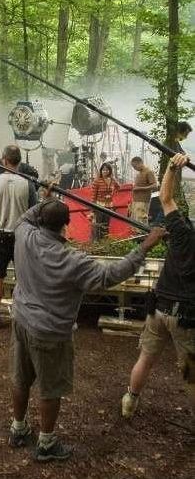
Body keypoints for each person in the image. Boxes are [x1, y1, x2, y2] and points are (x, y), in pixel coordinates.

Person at [8, 192, 165, 462]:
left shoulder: (23, 234)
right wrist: (144, 247)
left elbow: (27, 215)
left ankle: (18, 428)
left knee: (21, 379)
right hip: (49, 333)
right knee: (50, 388)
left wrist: (46, 201)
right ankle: (46, 444)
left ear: (40, 219)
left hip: (21, 320)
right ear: (65, 225)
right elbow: (109, 275)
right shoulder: (72, 261)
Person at [121, 153, 195, 421]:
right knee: (192, 373)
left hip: (159, 307)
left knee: (146, 358)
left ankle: (130, 400)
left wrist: (173, 167)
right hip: (186, 316)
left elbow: (165, 197)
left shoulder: (182, 232)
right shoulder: (184, 232)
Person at [0, 145, 37, 330]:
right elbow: (33, 213)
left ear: (4, 160)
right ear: (19, 161)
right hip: (21, 236)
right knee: (23, 277)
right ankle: (24, 315)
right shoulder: (28, 183)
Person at [90, 162, 120, 241]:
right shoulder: (97, 181)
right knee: (98, 224)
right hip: (99, 206)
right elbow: (93, 196)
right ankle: (97, 242)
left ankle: (105, 241)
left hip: (109, 206)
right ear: (101, 171)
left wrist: (111, 194)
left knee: (106, 224)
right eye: (103, 170)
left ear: (110, 171)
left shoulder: (112, 180)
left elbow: (118, 187)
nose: (105, 171)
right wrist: (92, 210)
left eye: (107, 170)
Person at [129, 157, 157, 224]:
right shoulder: (139, 173)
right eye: (133, 167)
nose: (134, 168)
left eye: (135, 166)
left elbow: (155, 185)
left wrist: (140, 188)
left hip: (143, 200)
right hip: (136, 200)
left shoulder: (149, 172)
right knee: (135, 220)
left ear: (140, 163)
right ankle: (136, 230)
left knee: (141, 219)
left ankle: (142, 230)